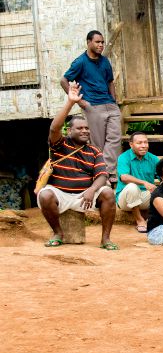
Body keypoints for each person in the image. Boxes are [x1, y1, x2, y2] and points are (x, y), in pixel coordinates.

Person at [38, 82, 118, 250]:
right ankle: (57, 233)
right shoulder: (59, 145)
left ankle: (106, 239)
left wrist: (91, 190)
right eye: (80, 128)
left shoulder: (95, 151)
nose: (85, 131)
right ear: (69, 131)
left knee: (109, 193)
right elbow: (54, 128)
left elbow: (102, 175)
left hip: (85, 196)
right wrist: (70, 102)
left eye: (87, 128)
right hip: (60, 194)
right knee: (45, 196)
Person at [60, 30, 121, 183]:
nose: (101, 45)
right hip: (93, 106)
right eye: (97, 42)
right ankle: (103, 175)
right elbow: (63, 80)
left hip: (110, 104)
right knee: (98, 142)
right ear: (88, 42)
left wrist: (113, 99)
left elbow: (110, 82)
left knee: (115, 138)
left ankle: (106, 172)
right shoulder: (80, 62)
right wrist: (80, 101)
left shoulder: (105, 61)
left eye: (102, 42)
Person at [115, 131, 159, 233]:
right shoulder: (123, 157)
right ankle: (140, 220)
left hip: (144, 197)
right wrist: (144, 182)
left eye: (146, 142)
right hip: (125, 200)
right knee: (132, 187)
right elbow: (124, 177)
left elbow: (162, 175)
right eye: (139, 143)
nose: (144, 146)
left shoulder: (153, 158)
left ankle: (153, 219)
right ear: (131, 144)